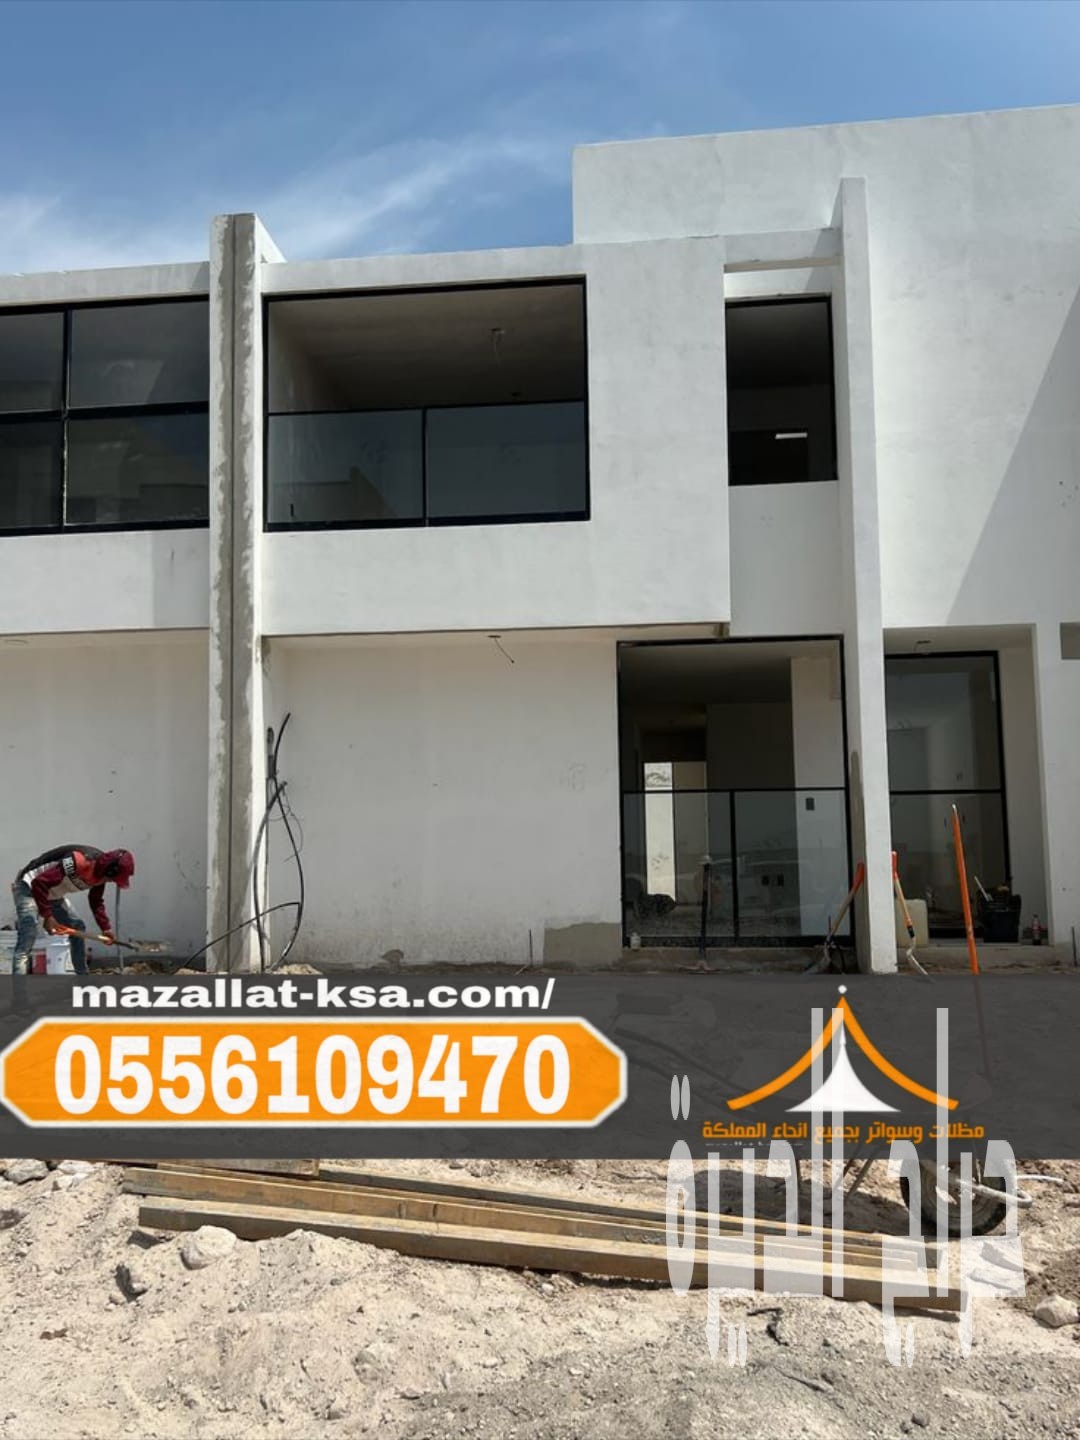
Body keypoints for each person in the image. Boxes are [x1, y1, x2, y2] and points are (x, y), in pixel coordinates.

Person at [10, 846, 135, 975]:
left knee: (77, 927)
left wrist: (106, 928)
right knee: (28, 935)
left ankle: (82, 979)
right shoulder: (79, 861)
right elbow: (39, 883)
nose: (110, 881)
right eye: (112, 879)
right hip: (28, 886)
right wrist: (48, 916)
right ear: (109, 871)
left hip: (51, 894)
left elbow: (96, 901)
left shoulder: (100, 875)